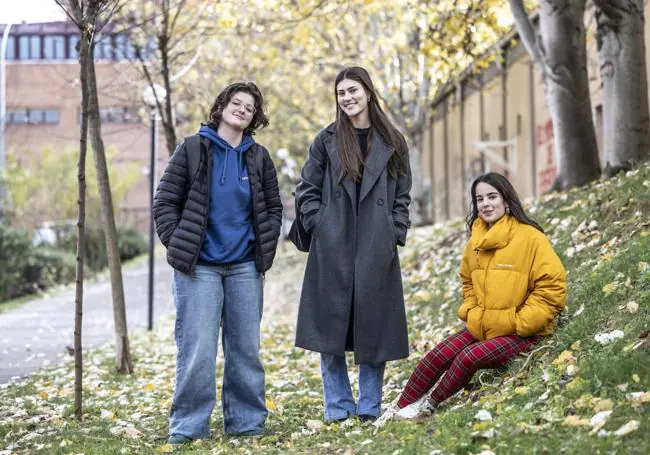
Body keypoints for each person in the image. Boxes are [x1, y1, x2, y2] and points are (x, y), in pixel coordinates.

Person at [375, 172, 566, 426]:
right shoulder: (475, 242)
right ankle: (398, 407)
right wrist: (472, 311)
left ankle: (429, 404)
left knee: (468, 357)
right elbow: (467, 281)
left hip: (523, 331)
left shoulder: (531, 238)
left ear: (506, 201)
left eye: (492, 197)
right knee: (437, 355)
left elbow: (552, 287)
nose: (485, 204)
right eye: (479, 199)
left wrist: (521, 322)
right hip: (484, 324)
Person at [152, 82, 282, 444]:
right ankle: (189, 428)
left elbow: (274, 207)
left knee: (245, 350)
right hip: (199, 269)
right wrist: (178, 244)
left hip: (244, 268)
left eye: (250, 107)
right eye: (236, 103)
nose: (242, 109)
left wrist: (263, 246)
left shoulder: (258, 157)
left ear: (254, 117)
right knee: (197, 351)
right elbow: (164, 203)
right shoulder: (193, 149)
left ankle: (246, 423)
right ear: (221, 106)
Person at [294, 66, 412, 423]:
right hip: (334, 245)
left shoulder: (393, 140)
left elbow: (402, 195)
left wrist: (395, 231)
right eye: (341, 93)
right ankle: (338, 407)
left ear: (368, 92)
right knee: (330, 328)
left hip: (377, 245)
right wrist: (321, 224)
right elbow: (306, 190)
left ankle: (369, 406)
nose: (347, 98)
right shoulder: (326, 139)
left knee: (374, 328)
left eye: (353, 90)